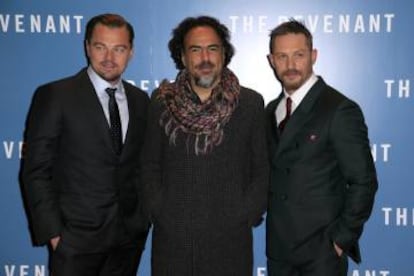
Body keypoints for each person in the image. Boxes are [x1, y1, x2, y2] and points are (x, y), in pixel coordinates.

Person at [20, 13, 150, 276]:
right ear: (87, 47)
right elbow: (36, 171)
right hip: (74, 242)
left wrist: (141, 222)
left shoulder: (141, 101)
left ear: (131, 52)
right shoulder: (56, 95)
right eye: (101, 47)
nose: (109, 57)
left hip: (128, 242)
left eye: (119, 49)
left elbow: (139, 166)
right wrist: (54, 234)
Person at [140, 15, 269, 275]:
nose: (205, 58)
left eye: (213, 49)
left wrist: (246, 214)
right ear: (183, 57)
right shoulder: (161, 102)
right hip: (174, 244)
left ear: (224, 54)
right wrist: (160, 211)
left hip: (230, 243)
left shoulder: (250, 104)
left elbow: (262, 169)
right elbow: (149, 165)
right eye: (195, 50)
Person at [265, 19, 378, 276]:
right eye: (282, 56)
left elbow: (364, 181)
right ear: (271, 60)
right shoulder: (271, 111)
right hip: (279, 254)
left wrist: (340, 241)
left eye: (299, 55)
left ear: (313, 56)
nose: (290, 65)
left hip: (321, 255)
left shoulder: (339, 109)